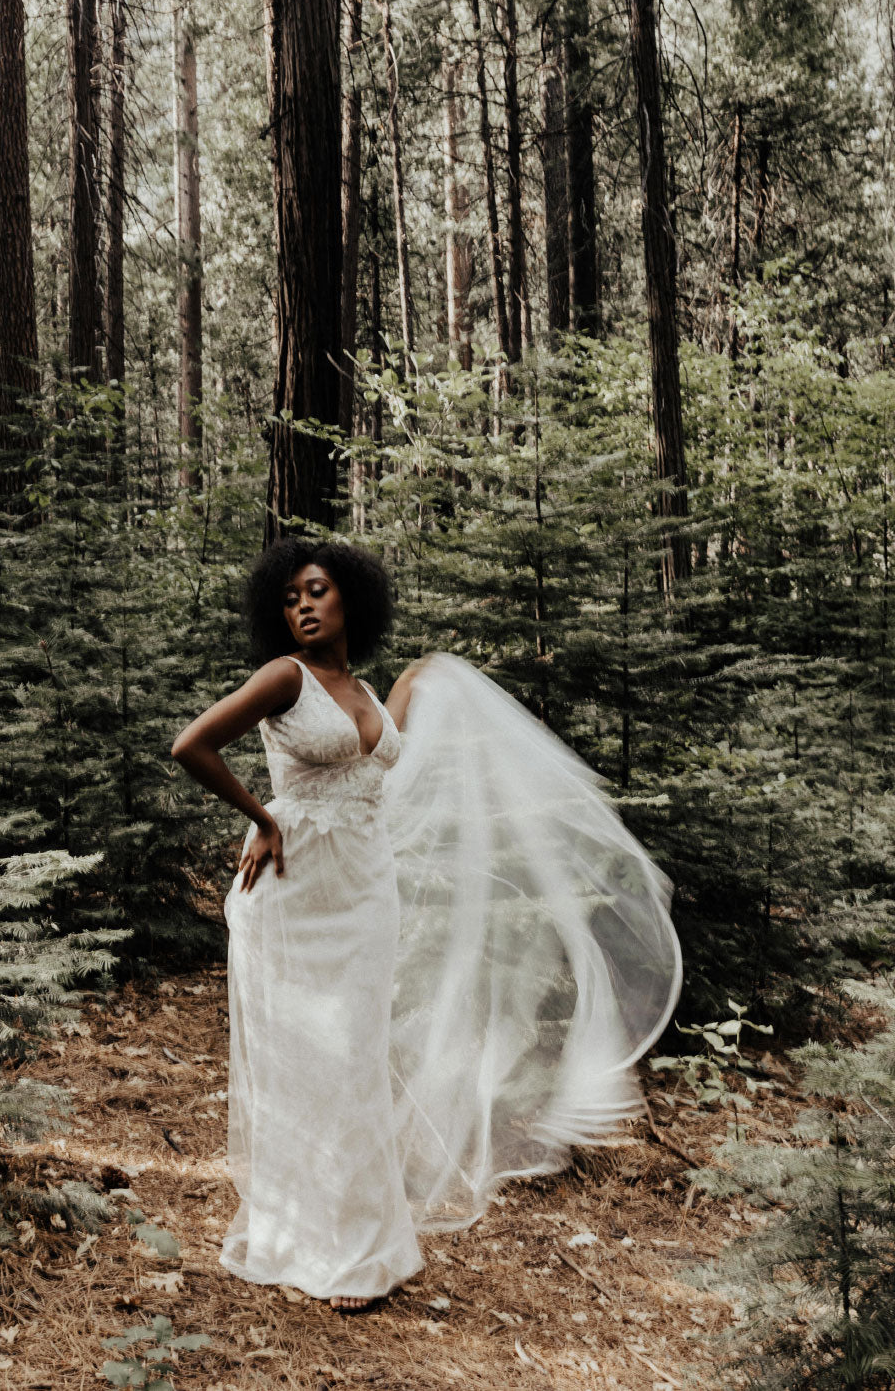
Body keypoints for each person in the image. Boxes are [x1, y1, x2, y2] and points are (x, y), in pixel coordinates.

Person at [171, 538, 681, 1314]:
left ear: (353, 601)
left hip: (368, 895)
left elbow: (381, 759)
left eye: (318, 592)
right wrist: (261, 819)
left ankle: (368, 1241)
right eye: (290, 598)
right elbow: (191, 745)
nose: (303, 606)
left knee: (358, 1060)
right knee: (317, 1061)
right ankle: (319, 1246)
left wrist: (414, 680)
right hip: (294, 890)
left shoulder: (368, 693)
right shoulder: (286, 679)